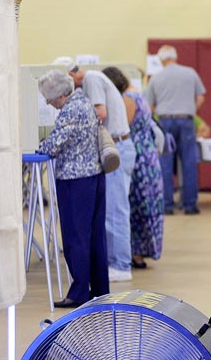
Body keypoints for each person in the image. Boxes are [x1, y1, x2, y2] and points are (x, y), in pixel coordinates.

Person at [55, 58, 137, 283]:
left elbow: (100, 113)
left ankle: (120, 265)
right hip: (119, 146)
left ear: (71, 75)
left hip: (115, 148)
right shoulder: (95, 78)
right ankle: (117, 262)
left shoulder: (91, 79)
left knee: (115, 212)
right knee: (114, 210)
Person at [37, 70, 109, 308]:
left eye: (49, 98)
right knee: (95, 237)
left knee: (76, 237)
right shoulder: (84, 102)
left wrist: (38, 146)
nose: (49, 103)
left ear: (60, 95)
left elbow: (54, 145)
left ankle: (79, 293)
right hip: (94, 177)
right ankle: (100, 290)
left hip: (75, 181)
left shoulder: (70, 109)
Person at [102, 67, 164, 270]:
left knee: (134, 206)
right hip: (146, 153)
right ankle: (137, 254)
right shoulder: (137, 94)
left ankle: (134, 254)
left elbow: (122, 124)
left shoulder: (128, 98)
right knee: (142, 205)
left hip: (138, 155)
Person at [145, 45, 206, 215]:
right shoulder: (190, 73)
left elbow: (149, 106)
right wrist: (191, 110)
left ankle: (167, 205)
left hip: (165, 121)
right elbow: (201, 96)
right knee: (189, 162)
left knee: (165, 163)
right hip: (186, 120)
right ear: (176, 56)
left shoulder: (155, 78)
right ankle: (190, 205)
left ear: (160, 59)